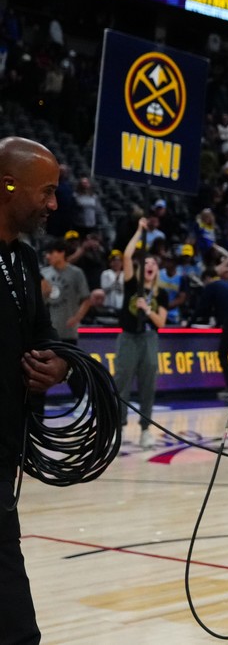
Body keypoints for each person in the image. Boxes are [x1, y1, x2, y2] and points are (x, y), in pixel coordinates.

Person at [0, 137, 69, 645]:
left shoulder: (23, 259)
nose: (53, 204)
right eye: (46, 191)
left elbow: (43, 335)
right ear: (6, 187)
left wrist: (58, 365)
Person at [115, 218, 168, 449]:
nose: (149, 265)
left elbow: (162, 322)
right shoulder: (131, 284)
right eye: (146, 262)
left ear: (156, 270)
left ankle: (146, 429)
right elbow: (127, 256)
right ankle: (118, 427)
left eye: (153, 263)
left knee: (148, 384)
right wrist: (138, 231)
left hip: (149, 339)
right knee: (121, 381)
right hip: (127, 337)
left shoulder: (161, 294)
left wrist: (147, 310)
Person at [194, 262, 228, 401]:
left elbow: (202, 308)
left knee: (222, 354)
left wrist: (188, 322)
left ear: (207, 278)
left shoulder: (211, 286)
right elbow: (226, 306)